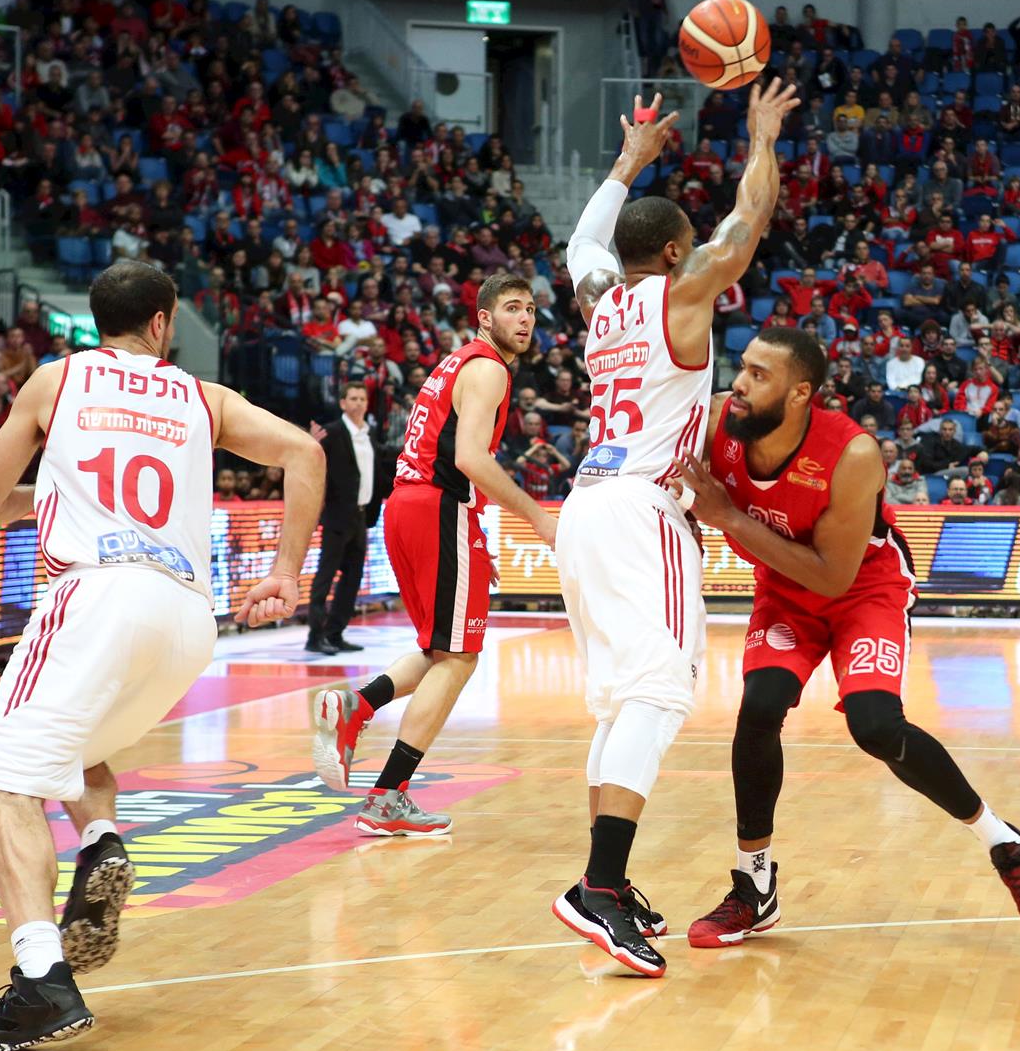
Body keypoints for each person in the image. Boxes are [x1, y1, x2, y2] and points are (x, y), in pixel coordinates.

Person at [0, 261, 325, 1051]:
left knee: (4, 787)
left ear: (99, 321)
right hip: (186, 618)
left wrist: (50, 488)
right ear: (164, 324)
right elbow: (305, 456)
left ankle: (41, 980)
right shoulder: (201, 396)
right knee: (78, 749)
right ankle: (101, 840)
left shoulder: (57, 381)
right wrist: (288, 570)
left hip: (96, 595)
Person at [671, 328, 1020, 948]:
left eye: (759, 375)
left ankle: (1006, 846)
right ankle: (755, 885)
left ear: (801, 394)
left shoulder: (852, 455)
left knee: (875, 726)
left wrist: (726, 516)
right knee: (759, 709)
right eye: (742, 368)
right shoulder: (719, 423)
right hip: (784, 589)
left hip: (861, 588)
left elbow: (832, 574)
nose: (740, 384)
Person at [533, 84, 798, 978]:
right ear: (678, 251)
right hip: (644, 508)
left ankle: (606, 879)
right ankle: (599, 885)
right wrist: (761, 137)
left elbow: (579, 245)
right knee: (661, 692)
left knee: (621, 701)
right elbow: (751, 217)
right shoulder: (683, 295)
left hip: (585, 503)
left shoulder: (601, 300)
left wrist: (627, 162)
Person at [310, 274, 553, 835]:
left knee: (440, 648)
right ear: (485, 318)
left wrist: (474, 536)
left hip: (411, 506)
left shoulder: (455, 364)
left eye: (531, 309)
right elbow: (470, 458)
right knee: (460, 658)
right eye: (512, 308)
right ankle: (387, 796)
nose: (525, 318)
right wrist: (537, 515)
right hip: (437, 507)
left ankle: (359, 707)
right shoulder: (489, 368)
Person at [305, 382, 386, 655]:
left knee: (352, 578)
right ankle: (315, 635)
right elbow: (311, 462)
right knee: (325, 577)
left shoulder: (369, 433)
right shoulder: (332, 432)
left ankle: (335, 632)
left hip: (361, 516)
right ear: (342, 403)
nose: (358, 403)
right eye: (353, 398)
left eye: (362, 398)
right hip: (337, 516)